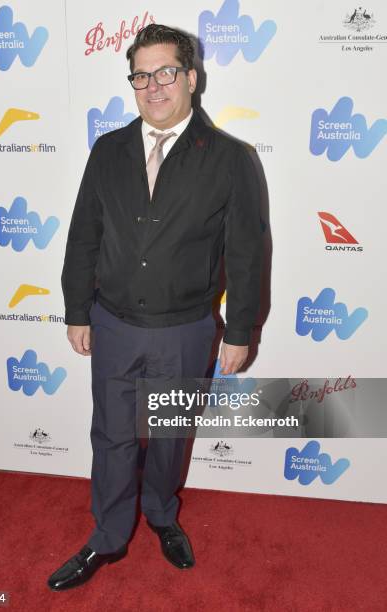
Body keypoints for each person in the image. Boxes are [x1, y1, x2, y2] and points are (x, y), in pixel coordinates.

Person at [48, 23, 263, 591]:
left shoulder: (230, 158)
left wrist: (239, 331)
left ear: (191, 78)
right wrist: (76, 310)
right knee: (113, 434)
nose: (153, 86)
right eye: (141, 75)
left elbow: (245, 253)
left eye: (166, 72)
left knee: (170, 434)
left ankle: (163, 516)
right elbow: (82, 236)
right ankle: (109, 536)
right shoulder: (109, 149)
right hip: (113, 322)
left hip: (187, 329)